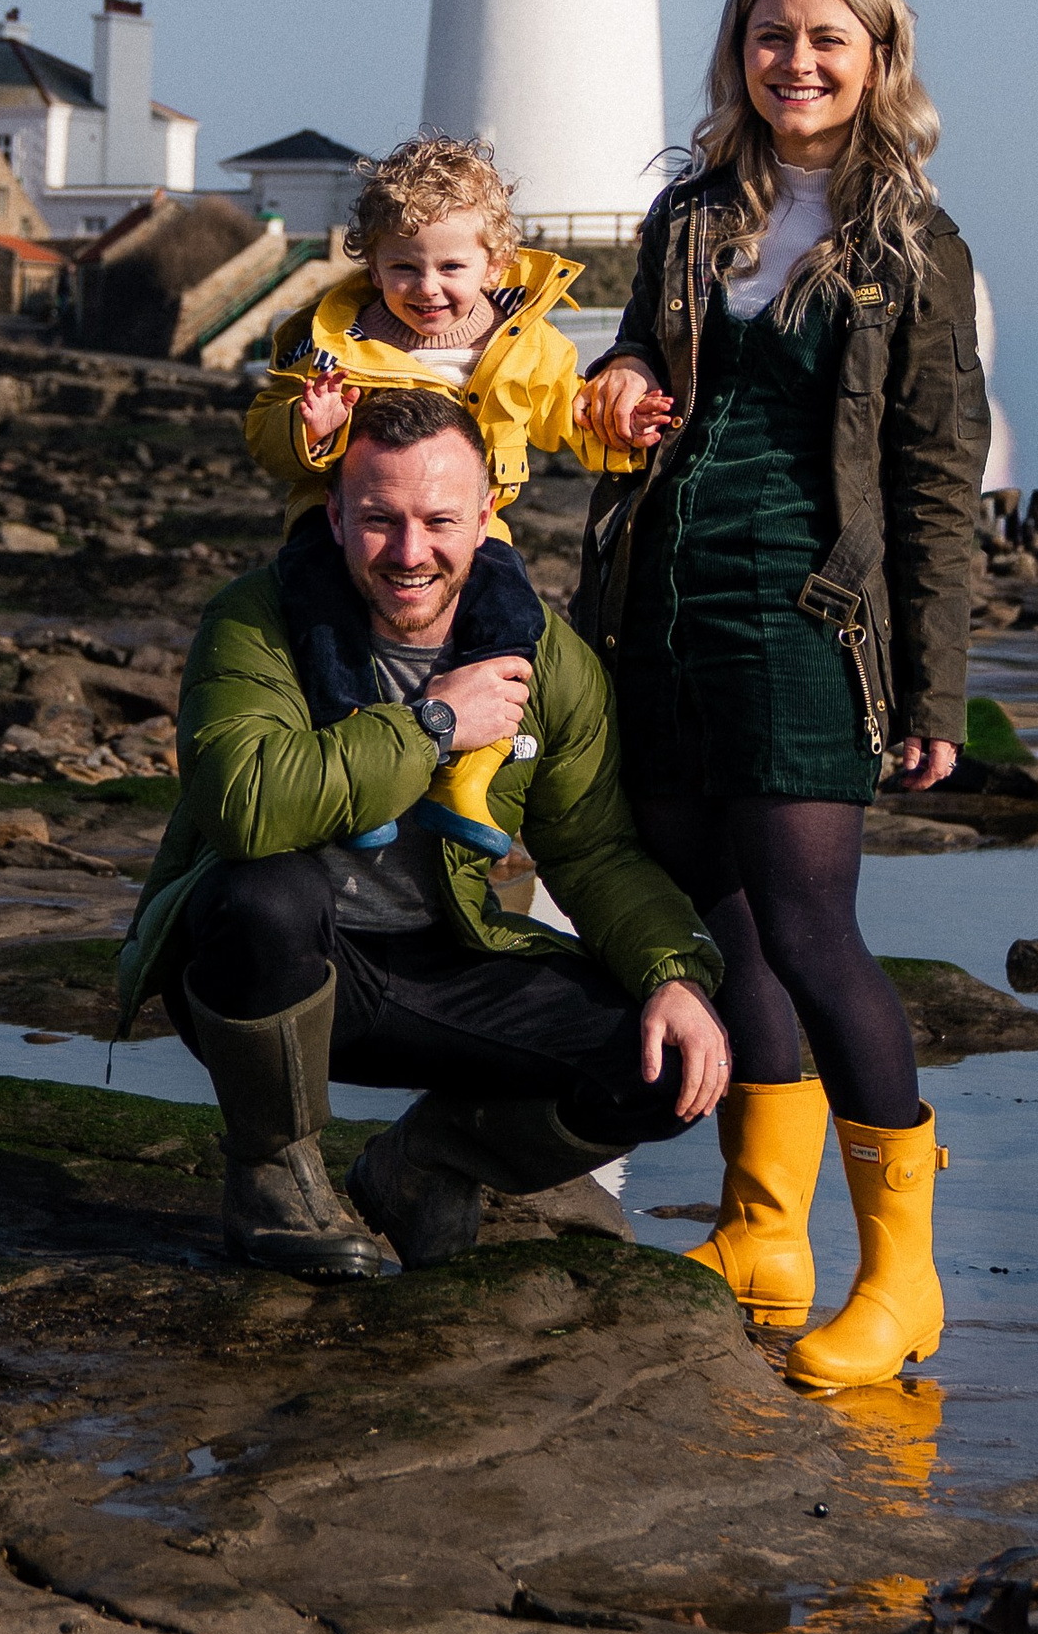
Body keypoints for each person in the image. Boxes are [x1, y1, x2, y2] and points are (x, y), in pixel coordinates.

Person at [582, 0, 990, 1392]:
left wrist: (939, 689)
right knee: (724, 923)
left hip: (812, 620)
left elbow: (942, 481)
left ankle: (905, 1279)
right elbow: (633, 358)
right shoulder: (692, 212)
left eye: (827, 37)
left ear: (880, 58)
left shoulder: (915, 245)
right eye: (771, 34)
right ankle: (765, 1230)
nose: (796, 62)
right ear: (738, 50)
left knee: (815, 933)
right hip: (664, 606)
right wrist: (619, 381)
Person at [119, 384, 730, 1277]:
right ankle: (272, 1177)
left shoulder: (544, 656)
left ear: (487, 516)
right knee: (263, 894)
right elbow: (246, 805)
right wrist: (433, 725)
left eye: (440, 520)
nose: (411, 553)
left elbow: (594, 850)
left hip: (442, 961)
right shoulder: (257, 621)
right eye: (380, 519)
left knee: (668, 1063)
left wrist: (673, 975)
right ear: (333, 515)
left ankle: (427, 1163)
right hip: (279, 964)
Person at [245, 132, 636, 540]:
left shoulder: (524, 345)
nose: (427, 287)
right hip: (347, 522)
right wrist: (309, 430)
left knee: (510, 604)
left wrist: (628, 429)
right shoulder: (337, 343)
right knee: (310, 589)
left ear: (494, 267)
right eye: (404, 268)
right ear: (374, 269)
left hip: (470, 528)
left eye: (451, 267)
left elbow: (570, 413)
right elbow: (263, 430)